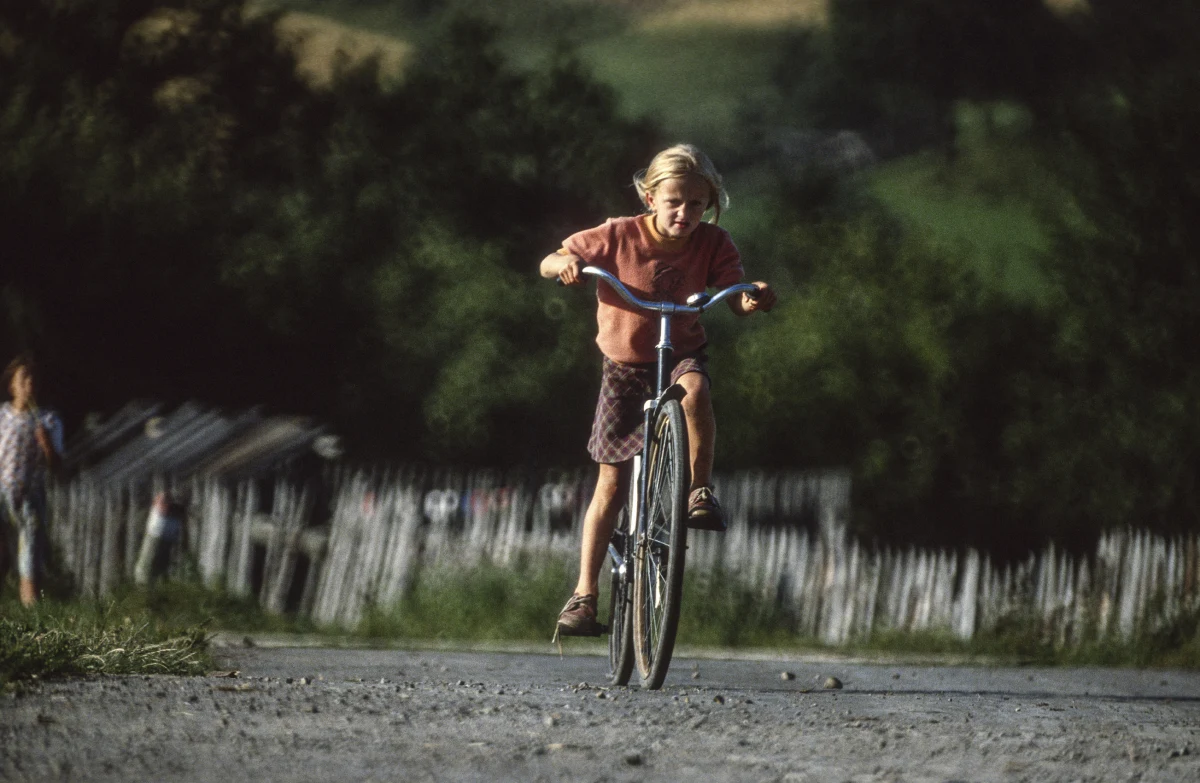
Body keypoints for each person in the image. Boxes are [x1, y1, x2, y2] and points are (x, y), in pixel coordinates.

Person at [540, 144, 777, 637]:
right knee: (610, 483)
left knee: (695, 391)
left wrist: (751, 300)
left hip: (679, 354)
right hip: (623, 369)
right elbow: (552, 258)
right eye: (673, 201)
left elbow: (734, 297)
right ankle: (585, 594)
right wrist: (564, 265)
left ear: (709, 203)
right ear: (650, 197)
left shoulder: (714, 243)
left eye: (696, 203)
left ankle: (699, 490)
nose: (684, 213)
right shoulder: (618, 234)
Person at [0, 355, 65, 606]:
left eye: (33, 380)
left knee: (29, 554)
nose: (30, 384)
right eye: (23, 378)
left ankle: (31, 609)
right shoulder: (3, 416)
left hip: (30, 495)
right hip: (2, 489)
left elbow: (57, 465)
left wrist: (46, 444)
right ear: (12, 386)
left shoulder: (48, 420)